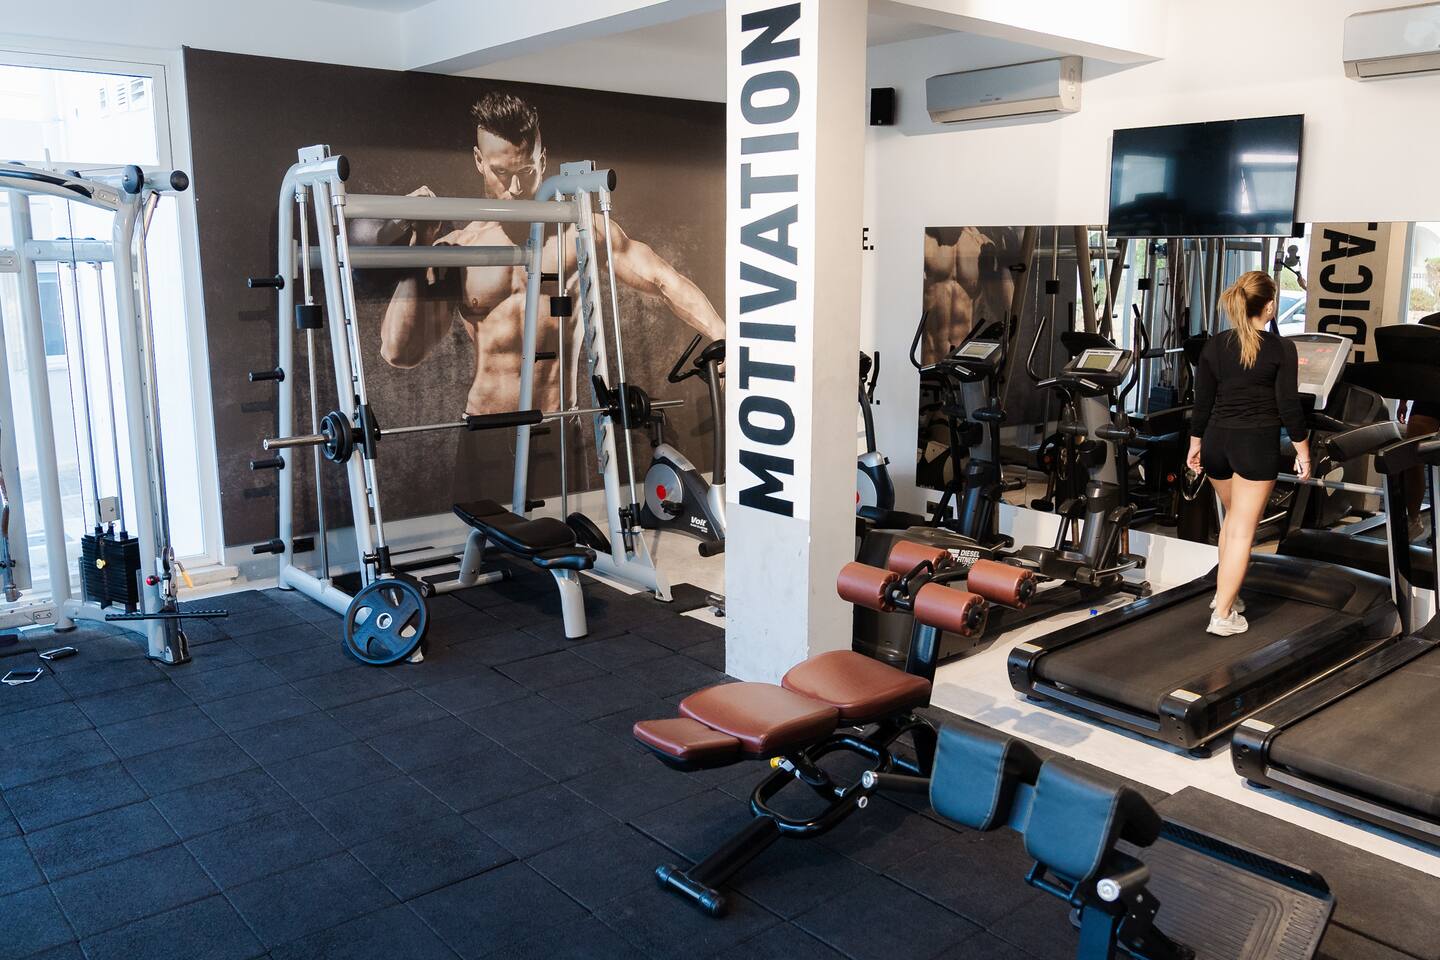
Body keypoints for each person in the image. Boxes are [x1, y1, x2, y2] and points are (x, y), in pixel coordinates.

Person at [379, 90, 724, 417]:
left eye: (526, 172)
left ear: (542, 161)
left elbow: (663, 280)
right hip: (485, 428)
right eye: (501, 173)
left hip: (558, 430)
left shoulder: (581, 234)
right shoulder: (460, 248)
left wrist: (725, 338)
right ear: (479, 161)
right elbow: (400, 353)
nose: (515, 188)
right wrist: (420, 243)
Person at [1186, 271, 1312, 636]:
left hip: (1216, 443)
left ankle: (1225, 596)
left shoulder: (1215, 345)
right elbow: (1288, 406)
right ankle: (1223, 615)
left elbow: (1202, 402)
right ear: (1270, 306)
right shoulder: (1281, 348)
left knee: (1231, 523)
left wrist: (1195, 444)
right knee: (1242, 531)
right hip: (1254, 445)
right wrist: (1303, 452)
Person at [1394, 312, 1440, 541]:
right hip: (1429, 396)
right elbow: (1411, 366)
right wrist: (1403, 399)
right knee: (1412, 455)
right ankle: (1414, 519)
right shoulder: (1428, 324)